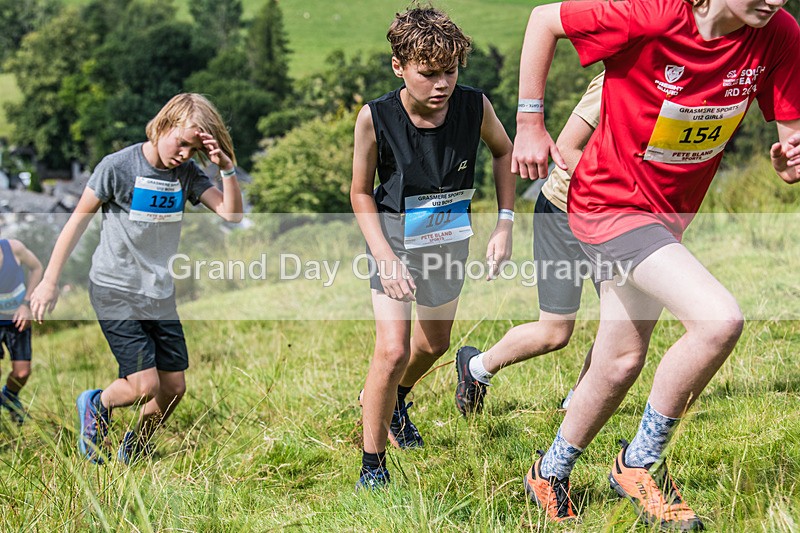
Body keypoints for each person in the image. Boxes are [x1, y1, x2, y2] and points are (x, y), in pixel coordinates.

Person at [512, 0, 800, 527]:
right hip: (607, 204)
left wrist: (788, 161)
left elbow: (790, 143)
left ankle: (548, 471)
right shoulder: (653, 13)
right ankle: (638, 463)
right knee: (718, 319)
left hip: (667, 216)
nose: (773, 0)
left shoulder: (778, 33)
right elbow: (543, 19)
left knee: (619, 361)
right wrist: (530, 121)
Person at [351, 6, 516, 489]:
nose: (441, 84)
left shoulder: (474, 106)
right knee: (392, 349)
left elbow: (504, 152)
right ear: (400, 67)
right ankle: (373, 466)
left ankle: (395, 399)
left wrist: (504, 223)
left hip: (448, 241)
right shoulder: (374, 117)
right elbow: (361, 193)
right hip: (393, 244)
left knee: (435, 343)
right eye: (428, 74)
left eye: (450, 71)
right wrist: (383, 256)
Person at [30, 93, 243, 464]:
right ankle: (97, 403)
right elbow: (75, 223)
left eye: (194, 150)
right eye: (182, 143)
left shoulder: (186, 174)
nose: (184, 155)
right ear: (163, 125)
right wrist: (49, 280)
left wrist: (225, 168)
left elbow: (232, 214)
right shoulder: (117, 167)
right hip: (115, 288)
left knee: (173, 388)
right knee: (145, 386)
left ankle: (136, 447)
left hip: (158, 292)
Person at [455, 72, 604, 416]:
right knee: (554, 332)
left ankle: (578, 402)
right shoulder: (619, 76)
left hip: (617, 218)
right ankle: (476, 369)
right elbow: (567, 147)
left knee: (622, 322)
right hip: (564, 209)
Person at [0, 235, 43, 425]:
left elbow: (37, 268)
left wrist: (27, 304)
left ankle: (9, 397)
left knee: (22, 372)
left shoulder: (14, 248)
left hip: (17, 319)